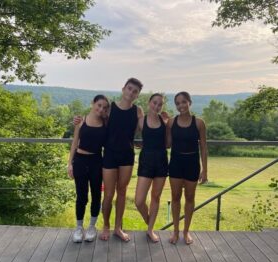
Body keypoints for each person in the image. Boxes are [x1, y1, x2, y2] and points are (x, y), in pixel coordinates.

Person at [74, 78, 144, 242]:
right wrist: (78, 121)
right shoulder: (110, 109)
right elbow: (93, 118)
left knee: (122, 192)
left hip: (127, 155)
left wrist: (163, 121)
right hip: (110, 155)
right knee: (109, 194)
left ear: (137, 95)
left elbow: (146, 128)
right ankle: (105, 225)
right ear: (123, 89)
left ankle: (118, 228)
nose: (131, 93)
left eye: (135, 91)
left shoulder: (138, 111)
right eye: (129, 89)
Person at [166, 91, 208, 245]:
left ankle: (186, 231)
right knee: (175, 197)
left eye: (183, 102)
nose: (180, 105)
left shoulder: (199, 123)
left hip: (192, 163)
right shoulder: (171, 122)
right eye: (177, 103)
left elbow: (203, 147)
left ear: (189, 102)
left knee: (190, 198)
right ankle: (176, 231)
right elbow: (167, 144)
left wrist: (205, 170)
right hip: (176, 162)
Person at [68, 95, 109, 243]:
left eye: (104, 107)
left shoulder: (106, 123)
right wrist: (70, 163)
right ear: (93, 103)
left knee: (96, 195)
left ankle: (92, 226)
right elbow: (74, 143)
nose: (101, 109)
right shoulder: (81, 121)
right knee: (81, 196)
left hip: (97, 161)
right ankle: (79, 227)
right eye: (99, 105)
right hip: (80, 160)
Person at [134, 93, 168, 242]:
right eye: (154, 103)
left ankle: (150, 230)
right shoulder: (141, 120)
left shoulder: (165, 120)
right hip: (146, 160)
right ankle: (149, 220)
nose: (157, 106)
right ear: (149, 103)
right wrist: (136, 143)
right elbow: (128, 134)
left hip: (161, 160)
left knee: (156, 197)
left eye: (160, 104)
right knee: (139, 201)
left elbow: (168, 142)